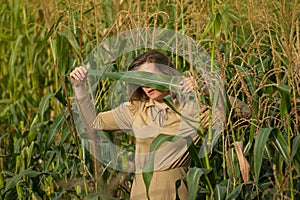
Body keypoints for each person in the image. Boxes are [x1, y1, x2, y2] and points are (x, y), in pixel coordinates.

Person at [70, 50, 249, 199]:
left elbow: (245, 112)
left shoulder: (194, 111)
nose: (147, 84)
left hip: (177, 194)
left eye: (152, 77)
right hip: (141, 195)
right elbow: (93, 122)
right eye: (141, 78)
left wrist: (202, 87)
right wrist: (79, 88)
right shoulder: (134, 110)